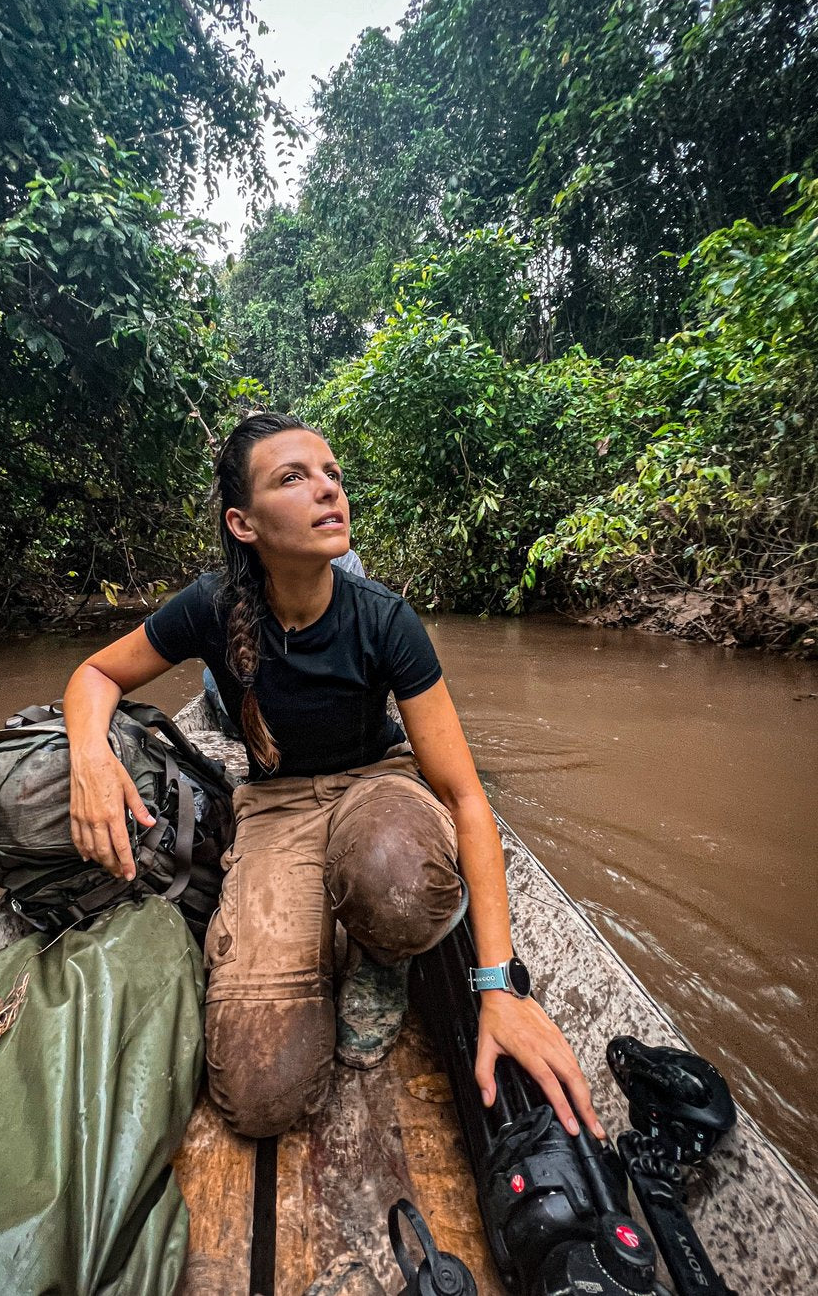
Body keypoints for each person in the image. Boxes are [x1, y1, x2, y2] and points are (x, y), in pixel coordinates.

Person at [63, 412, 604, 1142]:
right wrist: (90, 757)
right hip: (275, 809)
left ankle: (383, 951)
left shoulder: (385, 620)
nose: (328, 491)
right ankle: (307, 933)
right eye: (294, 478)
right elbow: (96, 673)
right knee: (260, 1094)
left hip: (378, 788)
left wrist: (499, 987)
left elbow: (464, 796)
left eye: (333, 475)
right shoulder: (212, 606)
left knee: (397, 874)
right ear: (243, 522)